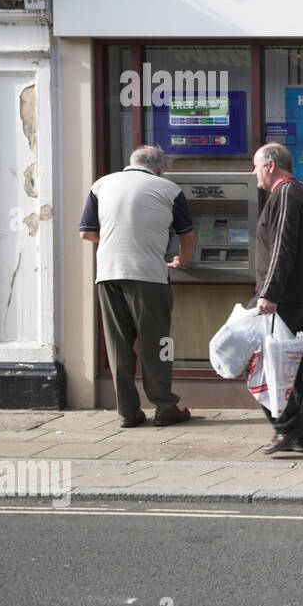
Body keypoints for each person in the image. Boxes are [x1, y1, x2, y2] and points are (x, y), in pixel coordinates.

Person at [78, 144, 194, 428]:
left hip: (107, 274)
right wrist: (182, 261)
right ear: (159, 167)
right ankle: (165, 407)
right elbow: (187, 237)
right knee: (158, 343)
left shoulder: (101, 184)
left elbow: (87, 233)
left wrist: (117, 243)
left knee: (118, 344)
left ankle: (128, 412)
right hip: (149, 276)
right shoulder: (168, 188)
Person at [251, 142, 303, 454]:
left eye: (256, 165)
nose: (254, 172)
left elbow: (282, 247)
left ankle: (288, 424)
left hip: (287, 297)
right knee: (298, 366)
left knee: (264, 362)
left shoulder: (285, 194)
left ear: (271, 165)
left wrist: (269, 293)